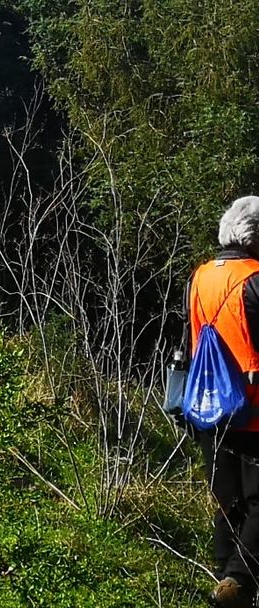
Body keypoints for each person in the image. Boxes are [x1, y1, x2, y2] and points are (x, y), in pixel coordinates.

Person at [187, 195, 259, 607]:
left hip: (209, 408)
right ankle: (238, 581)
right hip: (254, 411)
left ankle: (225, 584)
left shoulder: (200, 277)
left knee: (228, 503)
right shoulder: (255, 279)